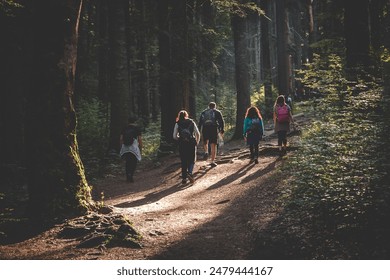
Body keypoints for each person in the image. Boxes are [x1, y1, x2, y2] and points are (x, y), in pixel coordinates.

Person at [173, 110, 200, 184]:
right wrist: (197, 142)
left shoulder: (177, 123)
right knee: (192, 159)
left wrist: (179, 138)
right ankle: (190, 172)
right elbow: (197, 133)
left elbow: (174, 136)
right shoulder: (191, 122)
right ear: (186, 115)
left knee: (184, 160)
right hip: (191, 143)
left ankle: (184, 178)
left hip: (182, 144)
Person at [198, 102, 225, 167]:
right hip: (213, 129)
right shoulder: (217, 112)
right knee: (213, 144)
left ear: (208, 106)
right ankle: (212, 161)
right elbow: (221, 121)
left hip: (205, 128)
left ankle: (206, 152)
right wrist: (222, 129)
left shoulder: (204, 112)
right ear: (214, 106)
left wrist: (199, 130)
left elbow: (200, 122)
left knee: (205, 142)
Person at [119, 116, 142, 182]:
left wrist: (121, 147)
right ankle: (131, 175)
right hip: (133, 147)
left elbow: (121, 139)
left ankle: (127, 176)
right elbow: (139, 139)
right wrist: (140, 148)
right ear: (135, 122)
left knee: (127, 162)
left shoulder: (124, 128)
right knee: (134, 162)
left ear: (128, 122)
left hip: (125, 147)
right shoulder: (137, 128)